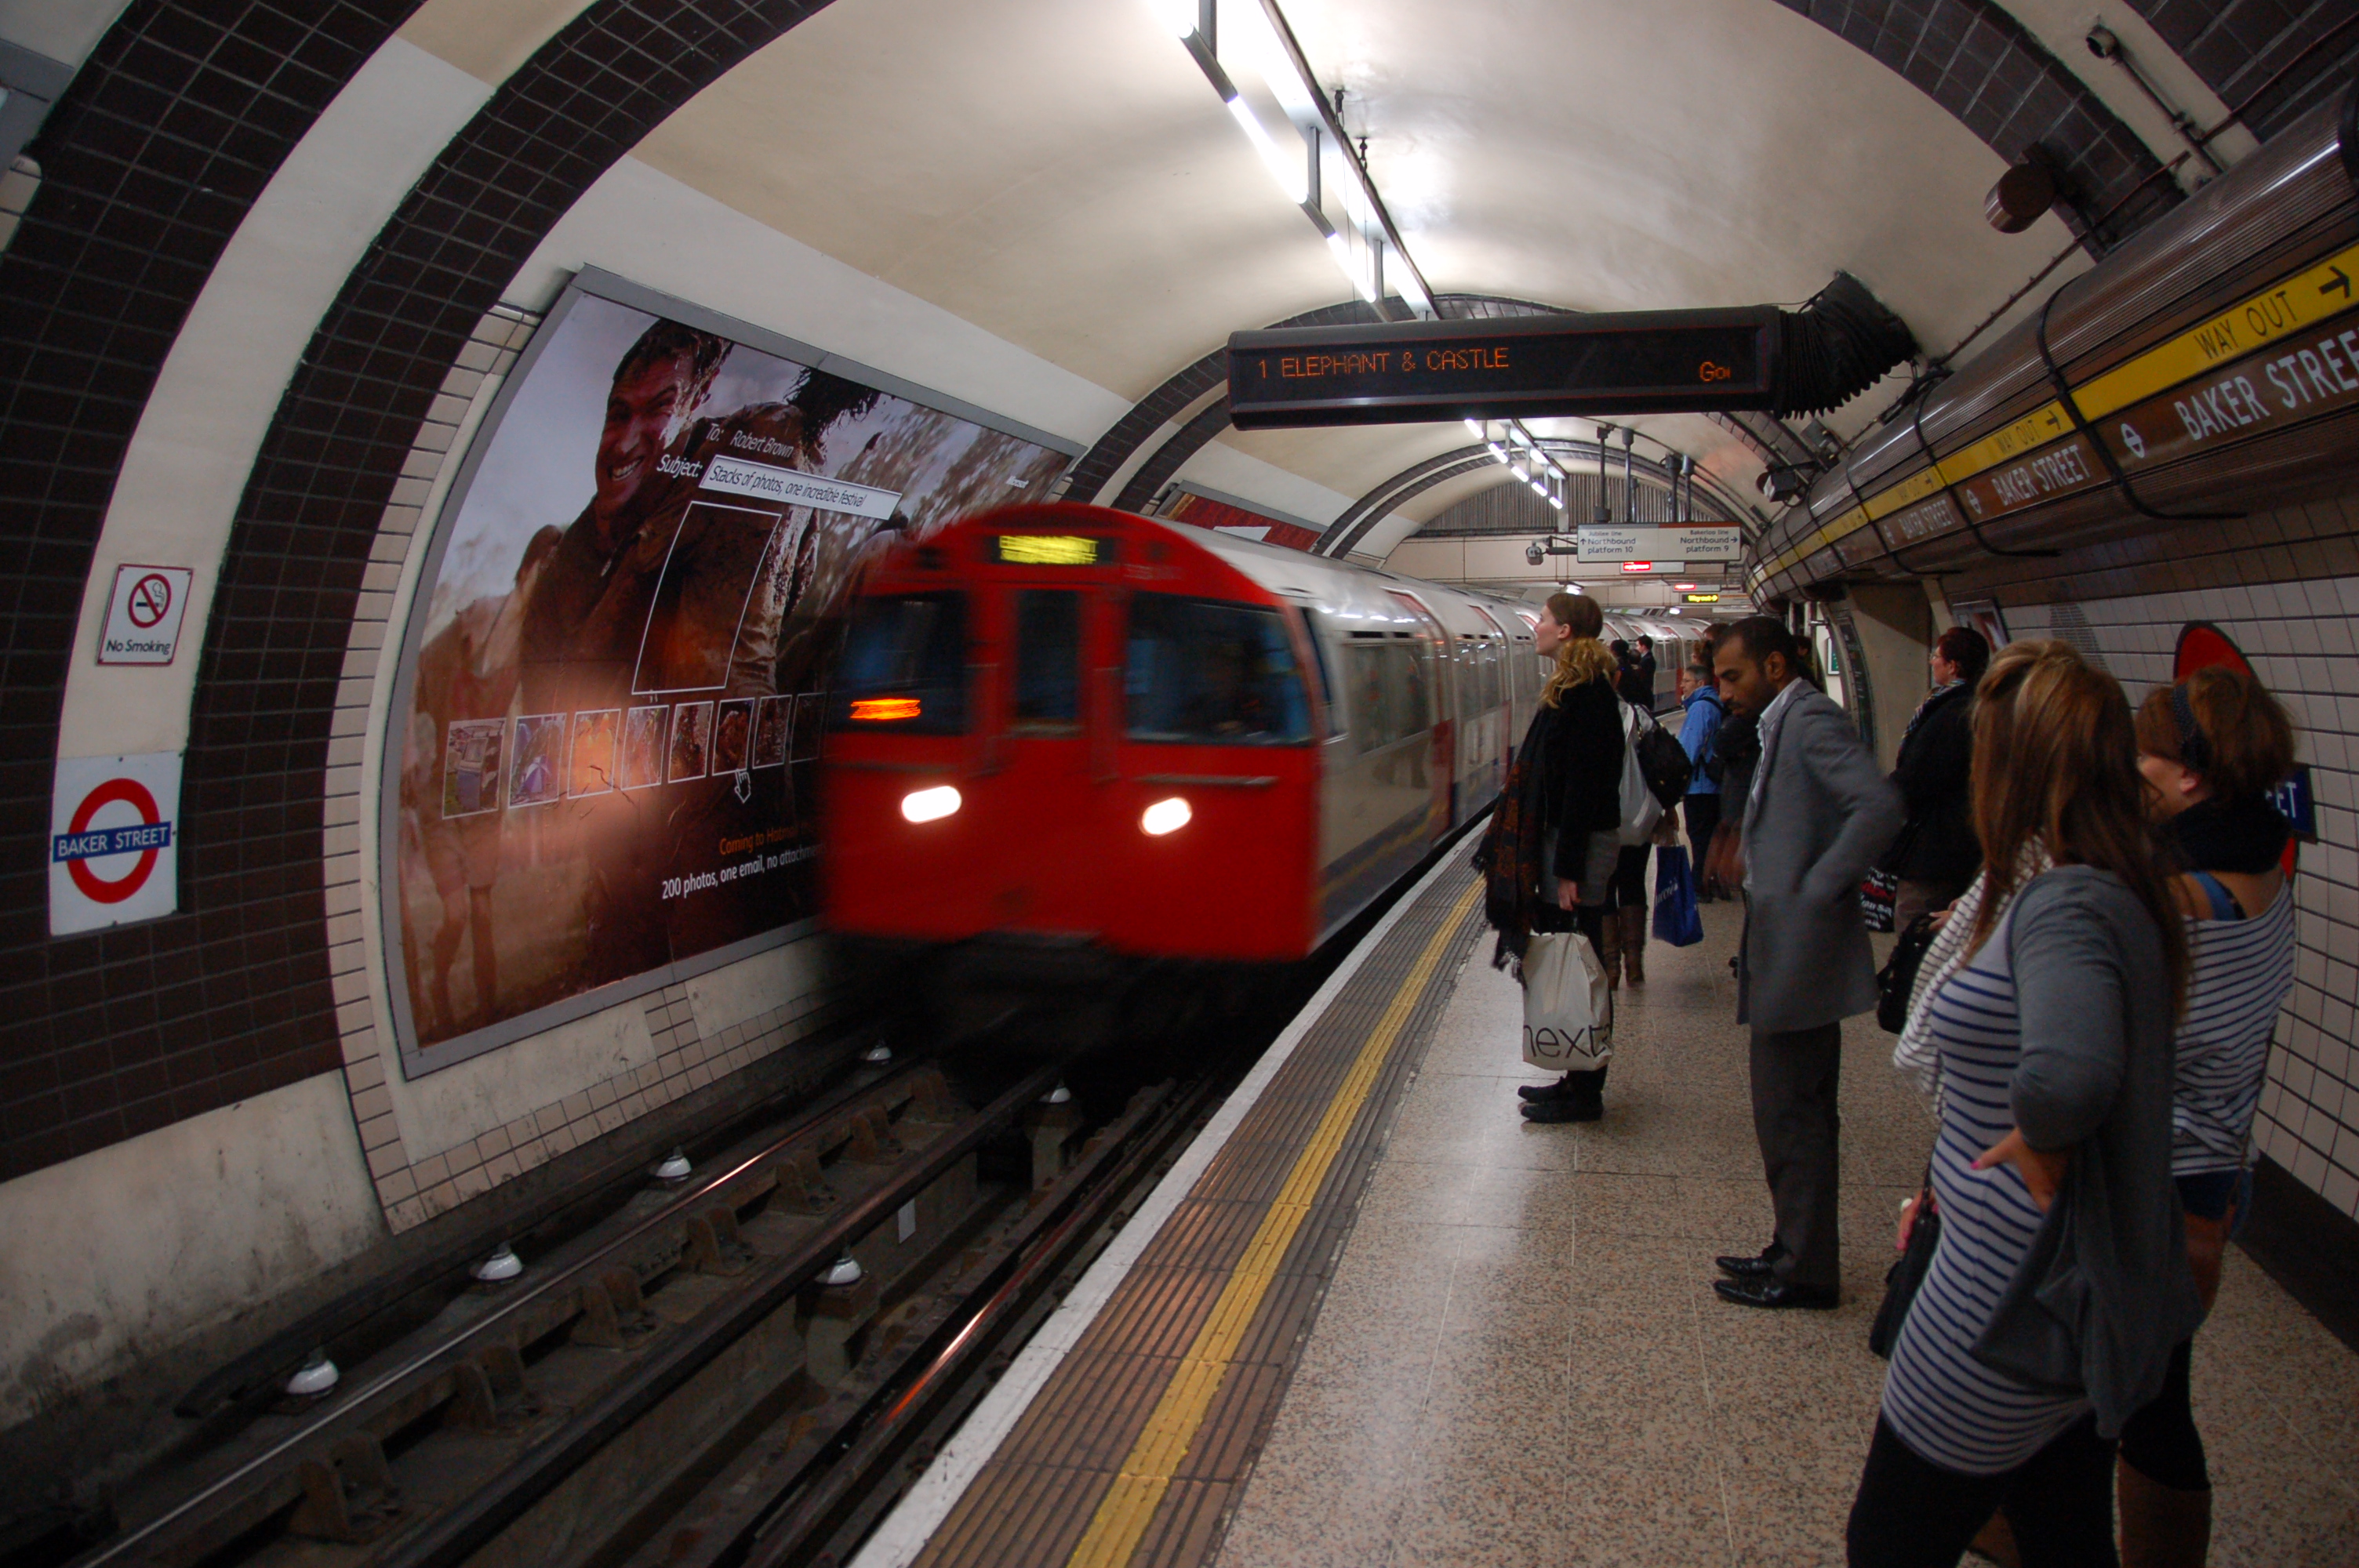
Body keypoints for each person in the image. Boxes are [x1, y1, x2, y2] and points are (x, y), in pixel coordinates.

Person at [1849, 641, 2197, 1567]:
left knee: (1886, 1543)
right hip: (2055, 1292)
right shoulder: (2108, 878)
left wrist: (2040, 1134)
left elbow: (2067, 1074)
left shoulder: (2062, 899)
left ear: (2014, 765)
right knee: (2063, 1535)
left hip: (2000, 1298)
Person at [2106, 666, 2297, 1567]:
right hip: (2216, 1173)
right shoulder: (2257, 864)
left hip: (2146, 1178)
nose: (2128, 766)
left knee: (2109, 1396)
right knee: (2155, 1392)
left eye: (2143, 750)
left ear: (2187, 774)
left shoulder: (2175, 900)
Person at [1712, 615, 1903, 1308]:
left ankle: (1805, 1269)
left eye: (1733, 676)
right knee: (1793, 1114)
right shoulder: (1783, 718)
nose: (1724, 692)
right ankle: (1793, 1249)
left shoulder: (1812, 719)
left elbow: (1879, 806)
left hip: (1801, 954)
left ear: (1775, 665)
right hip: (1786, 948)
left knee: (1791, 1113)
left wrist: (1817, 886)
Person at [1474, 591, 1625, 1123]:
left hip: (1574, 846)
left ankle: (1586, 1092)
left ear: (1564, 632)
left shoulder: (1586, 693)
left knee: (1578, 960)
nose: (1535, 626)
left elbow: (1583, 786)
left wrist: (1567, 869)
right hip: (1567, 841)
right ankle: (1571, 1072)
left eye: (1542, 619)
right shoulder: (1579, 688)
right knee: (1568, 951)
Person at [1884, 626, 1990, 926]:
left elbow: (1920, 775)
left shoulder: (1951, 713)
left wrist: (1884, 794)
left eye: (1937, 656)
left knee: (1917, 919)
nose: (1932, 662)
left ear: (1953, 666)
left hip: (1937, 843)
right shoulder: (1979, 706)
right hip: (1962, 839)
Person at [1677, 657, 1727, 900]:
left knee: (1700, 838)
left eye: (1686, 681)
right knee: (1710, 837)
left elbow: (1688, 751)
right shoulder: (1713, 703)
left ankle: (1701, 884)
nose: (1682, 686)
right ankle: (1712, 882)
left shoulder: (1700, 708)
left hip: (1700, 786)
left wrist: (1675, 781)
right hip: (1712, 785)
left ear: (1700, 682)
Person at [1634, 633, 1659, 710]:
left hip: (1644, 696)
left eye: (1638, 646)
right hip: (1646, 695)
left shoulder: (1647, 661)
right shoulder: (1648, 659)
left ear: (1643, 647)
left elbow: (1643, 678)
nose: (1636, 648)